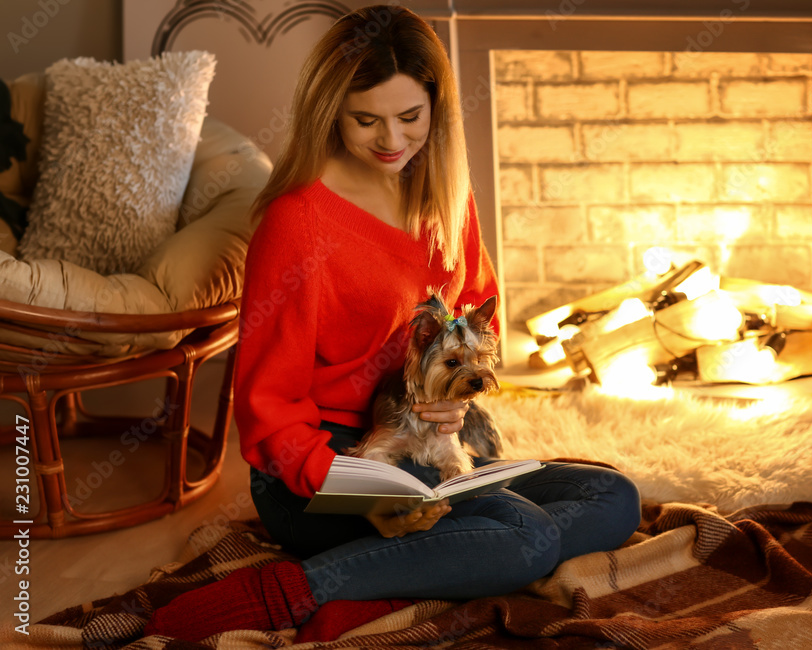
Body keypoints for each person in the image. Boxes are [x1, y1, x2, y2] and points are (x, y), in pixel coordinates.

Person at [144, 4, 640, 642]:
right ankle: (296, 589)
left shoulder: (446, 193)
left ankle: (404, 574)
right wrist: (364, 491)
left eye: (411, 118)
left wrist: (453, 407)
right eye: (365, 120)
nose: (392, 141)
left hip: (428, 443)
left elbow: (475, 317)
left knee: (614, 497)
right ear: (330, 112)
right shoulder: (297, 224)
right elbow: (269, 409)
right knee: (529, 535)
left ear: (436, 109)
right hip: (327, 464)